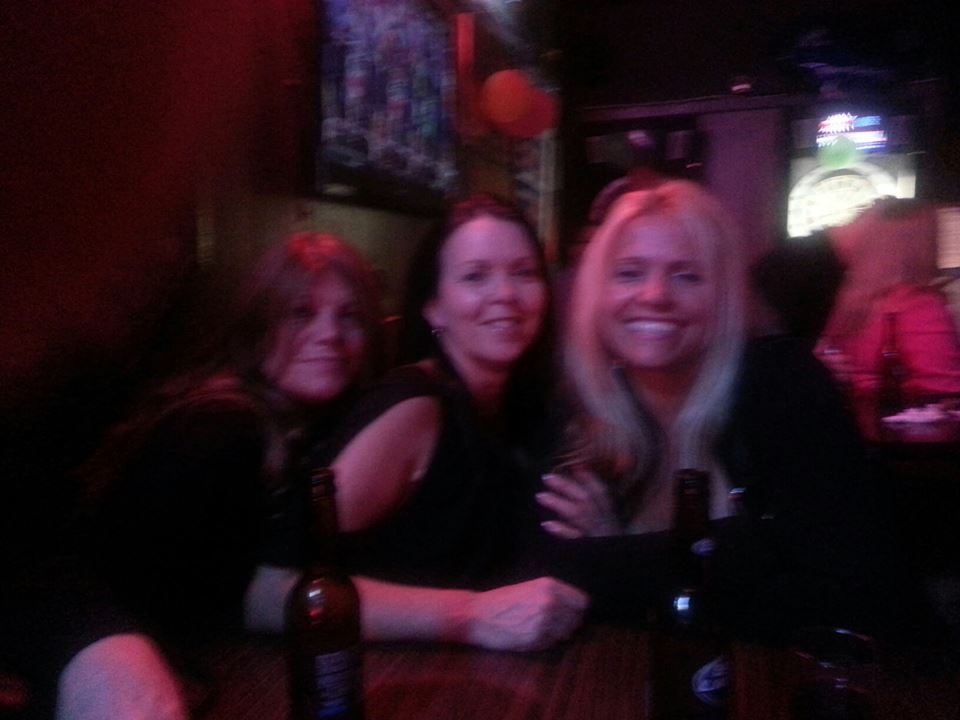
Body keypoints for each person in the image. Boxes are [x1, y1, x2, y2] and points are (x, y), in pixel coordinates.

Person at [535, 181, 909, 642]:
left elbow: (850, 594)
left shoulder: (781, 384)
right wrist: (743, 553)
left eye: (687, 276)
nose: (654, 295)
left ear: (724, 296)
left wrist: (615, 553)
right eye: (629, 273)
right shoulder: (580, 410)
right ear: (598, 293)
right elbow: (546, 574)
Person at [290, 194, 588, 652]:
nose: (505, 294)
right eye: (475, 276)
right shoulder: (414, 409)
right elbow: (279, 583)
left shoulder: (521, 409)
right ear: (433, 307)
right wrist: (469, 615)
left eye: (524, 273)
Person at [816, 198, 960, 438]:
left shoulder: (847, 303)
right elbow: (945, 393)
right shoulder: (919, 307)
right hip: (896, 443)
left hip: (847, 435)